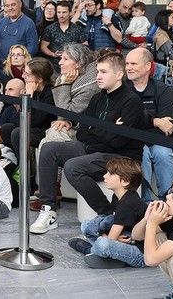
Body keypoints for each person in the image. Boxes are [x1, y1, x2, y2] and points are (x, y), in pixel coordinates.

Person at [30, 52, 146, 233]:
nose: (98, 76)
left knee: (72, 166)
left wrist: (96, 131)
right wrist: (107, 128)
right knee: (49, 148)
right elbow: (82, 131)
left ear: (119, 75)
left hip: (121, 158)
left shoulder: (131, 101)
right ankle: (48, 211)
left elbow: (117, 141)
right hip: (93, 149)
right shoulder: (98, 98)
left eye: (103, 72)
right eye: (98, 71)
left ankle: (107, 213)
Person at [68, 157, 147, 269]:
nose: (105, 176)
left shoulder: (128, 203)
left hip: (140, 254)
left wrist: (105, 236)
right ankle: (106, 256)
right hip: (127, 237)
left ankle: (90, 250)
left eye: (110, 174)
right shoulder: (118, 196)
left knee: (103, 244)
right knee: (85, 224)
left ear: (125, 181)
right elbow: (114, 226)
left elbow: (110, 239)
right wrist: (110, 236)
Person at [124, 47, 173, 202]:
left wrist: (138, 122)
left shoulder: (163, 89)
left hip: (156, 139)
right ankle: (144, 204)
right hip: (130, 140)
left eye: (133, 63)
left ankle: (168, 201)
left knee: (164, 154)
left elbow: (166, 127)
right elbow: (124, 122)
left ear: (148, 66)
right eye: (127, 63)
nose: (128, 67)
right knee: (142, 155)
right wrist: (154, 121)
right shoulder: (122, 88)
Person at [0, 58, 59, 180]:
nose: (23, 76)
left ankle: (26, 172)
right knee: (6, 129)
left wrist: (29, 96)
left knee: (18, 133)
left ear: (39, 79)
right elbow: (19, 121)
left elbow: (33, 121)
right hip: (33, 128)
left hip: (45, 131)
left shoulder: (50, 93)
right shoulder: (36, 91)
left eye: (28, 74)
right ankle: (14, 161)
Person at [0, 0, 40, 64]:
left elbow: (33, 47)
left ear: (20, 4)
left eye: (13, 5)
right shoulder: (0, 23)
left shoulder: (29, 23)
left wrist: (20, 61)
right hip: (3, 66)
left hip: (21, 67)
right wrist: (3, 60)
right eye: (7, 5)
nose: (10, 8)